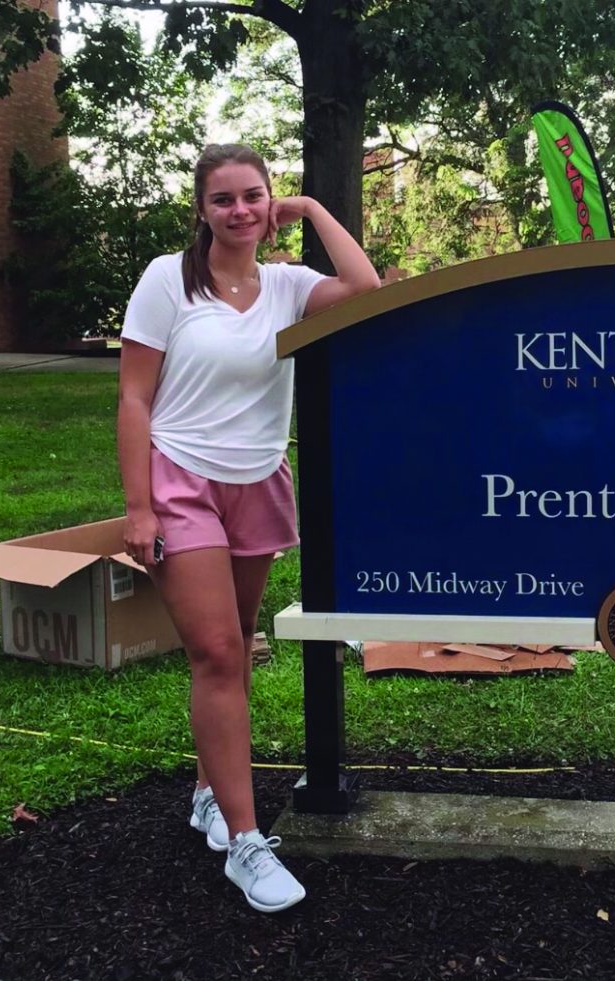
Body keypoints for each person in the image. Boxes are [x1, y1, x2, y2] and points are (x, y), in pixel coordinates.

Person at [116, 143, 380, 912]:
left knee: (233, 637)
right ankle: (245, 840)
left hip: (257, 479)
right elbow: (135, 397)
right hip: (181, 481)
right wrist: (140, 506)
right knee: (220, 653)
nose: (240, 210)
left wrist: (315, 211)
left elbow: (364, 290)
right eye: (223, 198)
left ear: (271, 204)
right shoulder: (168, 280)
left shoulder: (291, 285)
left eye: (254, 196)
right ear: (200, 208)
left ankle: (207, 790)